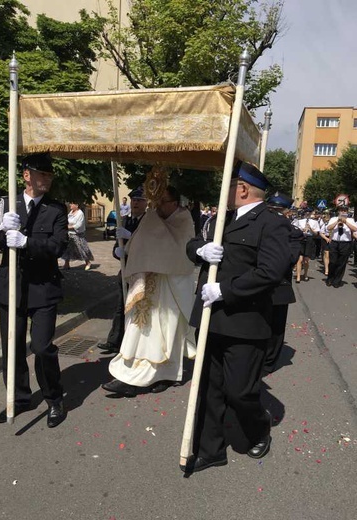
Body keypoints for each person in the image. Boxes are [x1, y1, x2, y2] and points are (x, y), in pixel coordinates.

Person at [183, 161, 291, 473]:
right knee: (209, 389)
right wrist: (200, 250)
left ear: (241, 188)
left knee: (240, 391)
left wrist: (226, 290)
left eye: (228, 185)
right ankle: (211, 449)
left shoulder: (272, 224)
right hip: (210, 318)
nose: (223, 191)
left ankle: (259, 428)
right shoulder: (219, 220)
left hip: (245, 322)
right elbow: (192, 243)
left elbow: (271, 272)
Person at [0, 153, 68, 427]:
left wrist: (26, 242)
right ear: (26, 175)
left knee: (43, 347)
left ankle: (54, 398)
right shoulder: (7, 203)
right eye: (42, 174)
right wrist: (0, 227)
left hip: (43, 288)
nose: (47, 179)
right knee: (13, 347)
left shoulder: (56, 209)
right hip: (12, 287)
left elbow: (58, 246)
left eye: (50, 176)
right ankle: (19, 398)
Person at [102, 185, 196, 397]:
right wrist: (126, 249)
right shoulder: (152, 217)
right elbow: (142, 241)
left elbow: (180, 251)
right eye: (157, 201)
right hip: (148, 282)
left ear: (175, 203)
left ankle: (165, 374)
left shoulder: (184, 219)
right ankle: (132, 374)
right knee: (140, 328)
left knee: (167, 331)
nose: (158, 206)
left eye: (163, 201)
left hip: (172, 285)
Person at [97, 187, 148, 354]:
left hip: (142, 271)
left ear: (146, 202)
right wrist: (117, 252)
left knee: (138, 307)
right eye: (134, 200)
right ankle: (114, 341)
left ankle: (134, 344)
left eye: (140, 200)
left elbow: (149, 246)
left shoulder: (148, 222)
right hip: (125, 269)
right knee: (120, 306)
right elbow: (116, 246)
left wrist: (131, 237)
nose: (135, 203)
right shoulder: (124, 220)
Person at [262, 192, 304, 375]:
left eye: (279, 211)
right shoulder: (259, 227)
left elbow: (291, 258)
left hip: (279, 287)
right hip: (256, 286)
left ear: (287, 212)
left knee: (276, 328)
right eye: (272, 210)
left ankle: (268, 362)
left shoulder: (293, 233)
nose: (276, 214)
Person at [326, 206, 357, 288]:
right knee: (332, 262)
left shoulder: (350, 220)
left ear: (347, 211)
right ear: (338, 211)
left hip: (346, 243)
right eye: (341, 211)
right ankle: (330, 278)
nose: (343, 212)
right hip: (334, 242)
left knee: (341, 263)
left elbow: (355, 229)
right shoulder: (333, 219)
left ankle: (337, 280)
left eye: (344, 211)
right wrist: (337, 221)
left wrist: (345, 222)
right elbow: (328, 228)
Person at [62, 202, 94, 270]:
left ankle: (88, 262)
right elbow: (67, 221)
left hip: (78, 234)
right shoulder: (71, 212)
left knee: (82, 249)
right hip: (69, 234)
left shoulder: (80, 213)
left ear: (76, 205)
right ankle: (66, 264)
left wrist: (69, 227)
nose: (70, 205)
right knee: (67, 249)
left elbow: (78, 225)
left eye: (72, 204)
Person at [292, 210, 320, 282]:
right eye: (306, 213)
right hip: (301, 239)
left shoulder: (315, 222)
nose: (307, 214)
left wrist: (310, 228)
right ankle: (298, 276)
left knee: (306, 260)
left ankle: (305, 274)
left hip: (309, 239)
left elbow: (316, 234)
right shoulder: (299, 221)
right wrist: (302, 230)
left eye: (309, 213)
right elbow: (295, 231)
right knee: (299, 260)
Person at [319, 212, 331, 276]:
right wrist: (326, 239)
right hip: (326, 238)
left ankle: (331, 267)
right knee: (326, 254)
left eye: (328, 218)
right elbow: (321, 233)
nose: (327, 219)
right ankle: (326, 268)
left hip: (333, 239)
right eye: (326, 218)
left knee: (331, 255)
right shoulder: (325, 224)